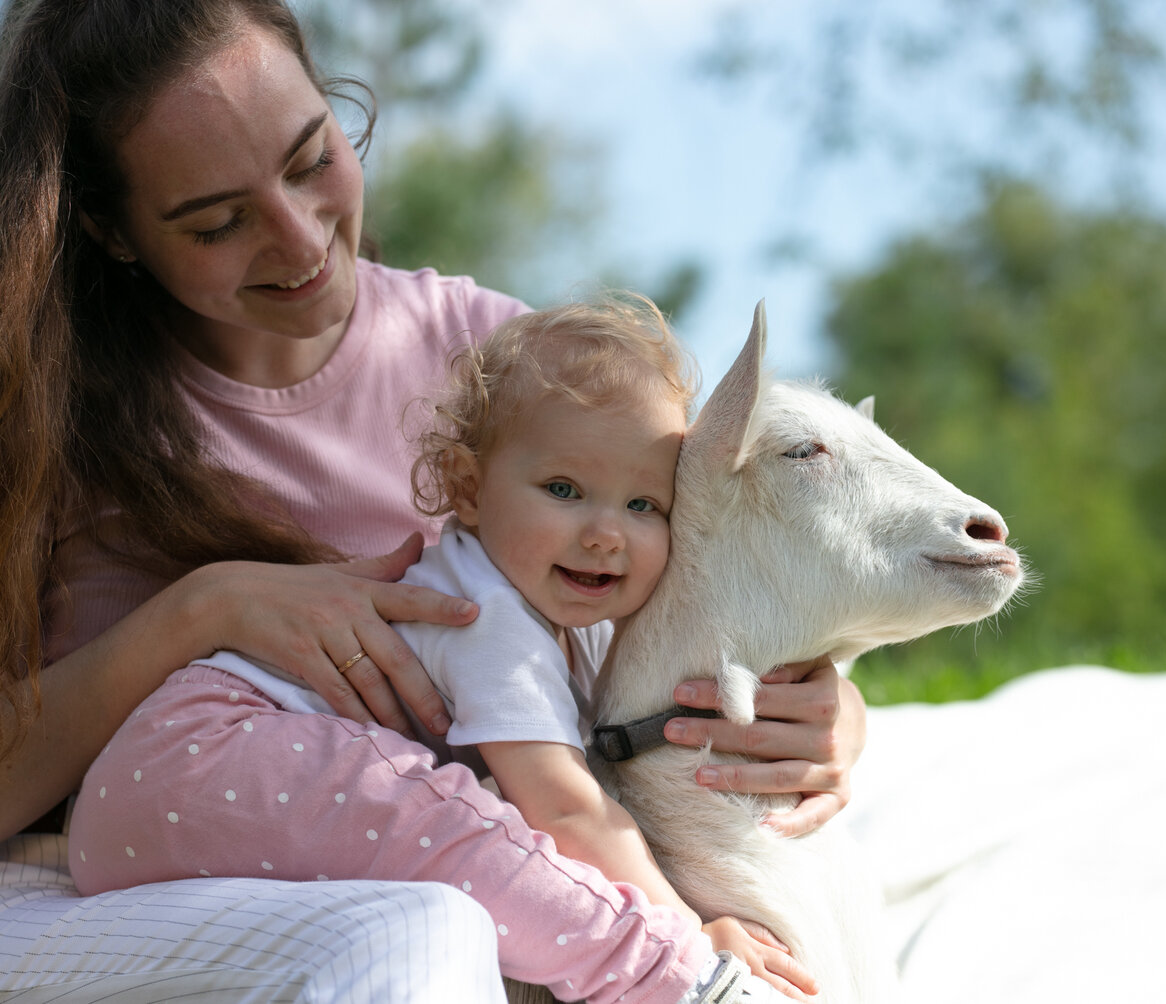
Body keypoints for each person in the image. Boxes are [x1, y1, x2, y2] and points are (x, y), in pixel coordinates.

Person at [0, 0, 866, 1000]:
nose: (299, 239)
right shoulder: (43, 412)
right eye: (219, 222)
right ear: (111, 230)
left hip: (423, 875)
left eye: (310, 157)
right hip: (82, 888)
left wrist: (825, 705)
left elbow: (675, 608)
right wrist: (202, 611)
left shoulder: (502, 372)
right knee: (420, 933)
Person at [67, 297, 820, 999]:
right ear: (467, 488)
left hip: (152, 809)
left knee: (451, 824)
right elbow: (566, 809)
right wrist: (688, 927)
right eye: (563, 489)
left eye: (642, 504)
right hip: (200, 755)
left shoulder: (561, 616)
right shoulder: (485, 611)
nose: (605, 532)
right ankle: (675, 977)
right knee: (463, 832)